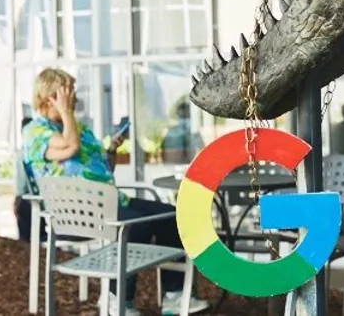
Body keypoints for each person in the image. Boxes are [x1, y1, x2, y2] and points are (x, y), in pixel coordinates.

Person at [23, 68, 209, 316]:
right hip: (77, 212)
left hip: (107, 201)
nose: (74, 98)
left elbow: (105, 169)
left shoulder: (79, 129)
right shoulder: (36, 132)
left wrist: (110, 151)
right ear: (49, 97)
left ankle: (173, 296)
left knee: (169, 215)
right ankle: (114, 299)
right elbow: (69, 148)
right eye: (67, 92)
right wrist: (66, 112)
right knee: (134, 226)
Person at [13, 117, 34, 242]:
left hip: (27, 200)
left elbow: (20, 182)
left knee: (25, 239)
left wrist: (16, 202)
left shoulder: (23, 153)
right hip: (45, 200)